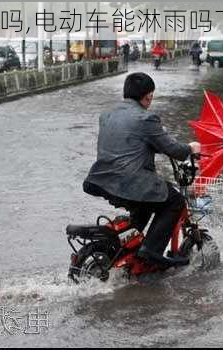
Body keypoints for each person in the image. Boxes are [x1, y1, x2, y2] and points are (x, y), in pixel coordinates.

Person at [83, 72, 201, 267]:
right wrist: (190, 148)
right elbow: (172, 149)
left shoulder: (107, 115)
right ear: (148, 96)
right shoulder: (146, 118)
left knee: (147, 203)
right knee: (175, 201)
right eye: (150, 97)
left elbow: (128, 142)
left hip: (102, 180)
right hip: (130, 181)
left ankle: (128, 251)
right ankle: (151, 252)